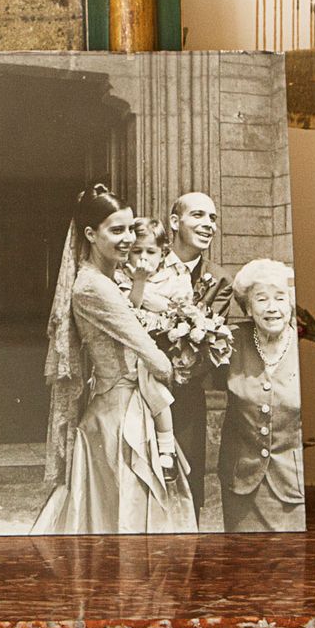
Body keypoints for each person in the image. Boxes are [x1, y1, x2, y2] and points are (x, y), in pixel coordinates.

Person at [33, 184, 198, 535]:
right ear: (91, 234)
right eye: (116, 230)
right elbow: (153, 358)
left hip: (126, 404)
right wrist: (173, 362)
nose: (127, 239)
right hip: (119, 413)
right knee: (124, 508)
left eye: (130, 229)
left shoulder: (107, 279)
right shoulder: (93, 286)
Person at [148, 192, 232, 508]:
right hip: (137, 393)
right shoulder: (148, 261)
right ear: (174, 221)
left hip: (184, 398)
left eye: (213, 218)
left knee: (185, 493)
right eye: (198, 215)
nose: (209, 224)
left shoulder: (219, 280)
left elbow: (209, 346)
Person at [217, 257, 305, 532]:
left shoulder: (305, 347)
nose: (272, 308)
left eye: (279, 297)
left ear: (291, 302)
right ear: (248, 307)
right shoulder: (230, 342)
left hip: (293, 484)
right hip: (241, 484)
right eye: (261, 299)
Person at [118, 218, 182, 480]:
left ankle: (167, 449)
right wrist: (140, 282)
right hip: (133, 350)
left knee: (153, 385)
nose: (143, 257)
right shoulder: (122, 277)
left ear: (163, 253)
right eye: (137, 251)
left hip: (165, 347)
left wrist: (151, 299)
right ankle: (164, 449)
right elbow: (129, 310)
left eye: (150, 251)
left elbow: (178, 310)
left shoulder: (173, 279)